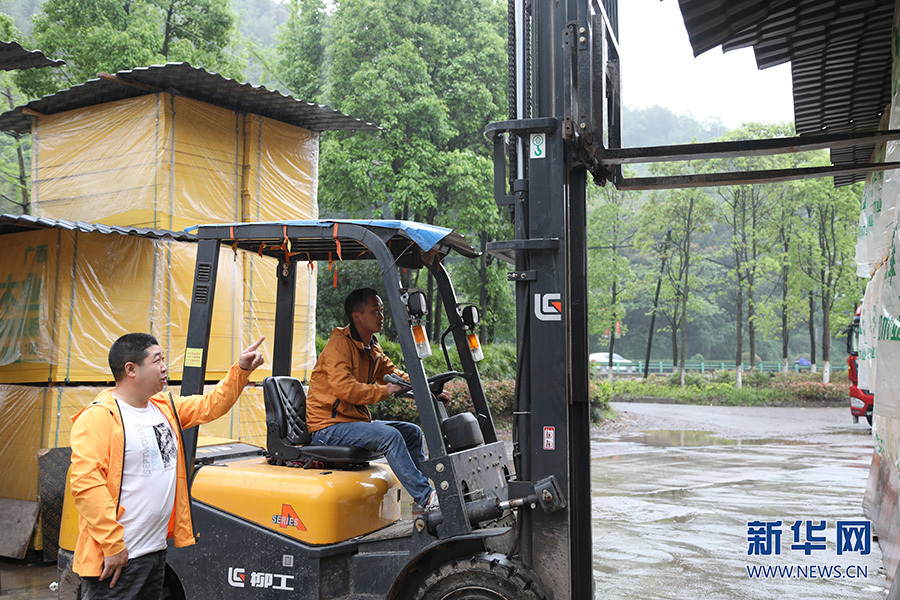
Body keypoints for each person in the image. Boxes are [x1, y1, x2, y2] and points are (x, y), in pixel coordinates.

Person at [69, 333, 265, 600]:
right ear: (131, 369)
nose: (164, 367)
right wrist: (113, 546)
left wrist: (241, 370)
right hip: (119, 557)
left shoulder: (164, 406)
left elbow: (210, 406)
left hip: (154, 551)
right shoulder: (99, 417)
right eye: (157, 360)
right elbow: (87, 485)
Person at [306, 287, 439, 513]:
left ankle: (422, 502)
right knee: (390, 436)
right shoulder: (339, 345)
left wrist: (429, 389)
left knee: (412, 432)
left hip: (352, 423)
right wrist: (384, 391)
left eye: (382, 310)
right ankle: (427, 497)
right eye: (374, 310)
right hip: (328, 427)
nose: (381, 315)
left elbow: (396, 375)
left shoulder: (372, 347)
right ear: (357, 316)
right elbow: (344, 388)